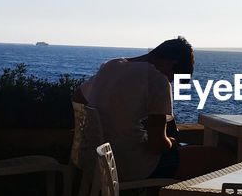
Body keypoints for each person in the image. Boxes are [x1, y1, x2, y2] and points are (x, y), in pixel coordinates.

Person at [77, 37, 231, 181]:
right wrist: (170, 142)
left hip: (92, 160)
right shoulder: (157, 78)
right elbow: (156, 145)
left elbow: (78, 97)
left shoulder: (111, 66)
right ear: (171, 64)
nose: (169, 82)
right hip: (128, 165)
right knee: (219, 158)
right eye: (173, 77)